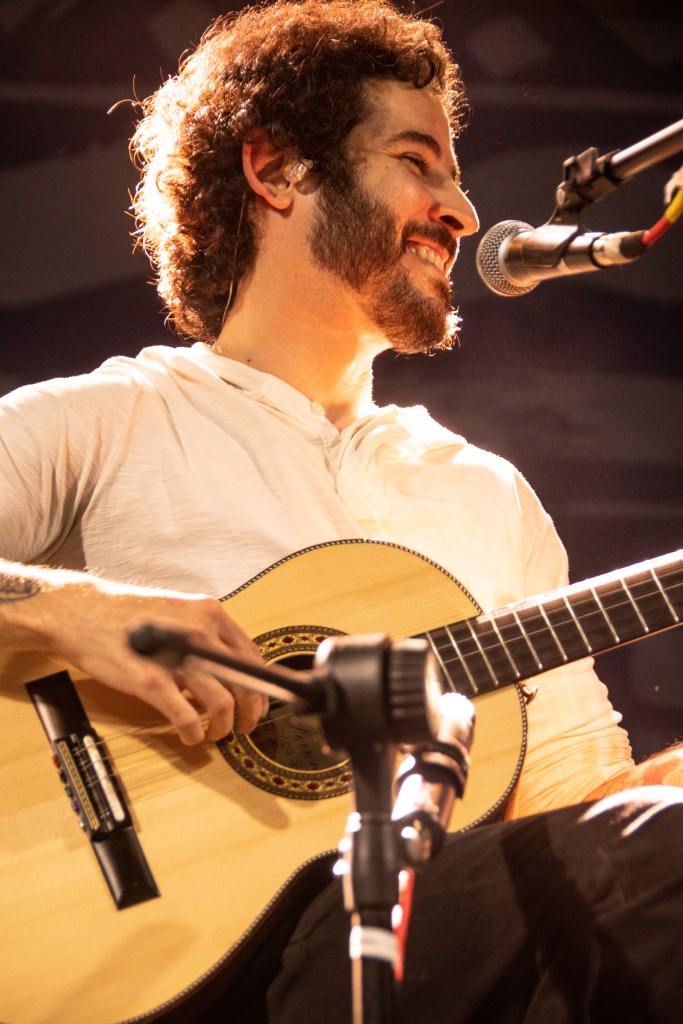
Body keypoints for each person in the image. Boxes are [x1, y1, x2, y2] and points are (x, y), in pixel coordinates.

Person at [0, 1, 681, 1022]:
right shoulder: (104, 422)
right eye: (418, 162)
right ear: (274, 170)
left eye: (455, 174)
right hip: (145, 958)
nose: (462, 211)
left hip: (418, 940)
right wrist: (74, 610)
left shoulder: (485, 493)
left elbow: (578, 815)